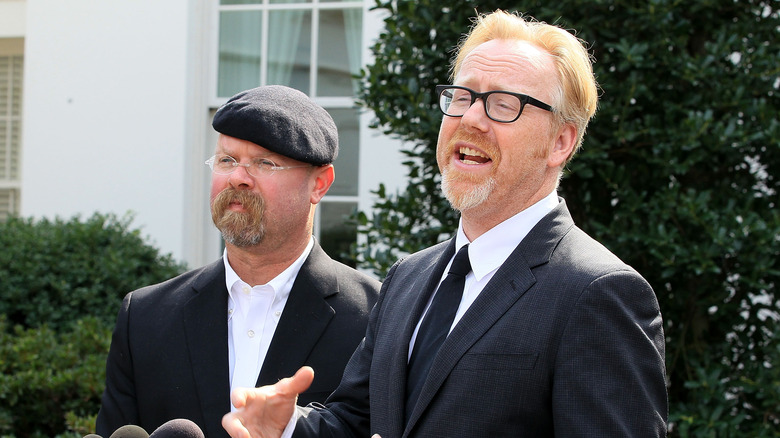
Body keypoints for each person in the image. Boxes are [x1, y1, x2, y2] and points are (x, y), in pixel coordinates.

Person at [222, 10, 668, 438]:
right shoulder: (408, 278)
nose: (471, 118)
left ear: (561, 141)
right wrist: (287, 428)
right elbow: (361, 421)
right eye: (462, 97)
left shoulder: (599, 294)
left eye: (503, 104)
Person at [96, 85, 381, 438]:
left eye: (264, 163)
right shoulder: (144, 317)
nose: (237, 177)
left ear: (319, 184)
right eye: (227, 160)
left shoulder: (376, 317)